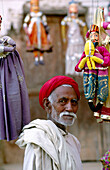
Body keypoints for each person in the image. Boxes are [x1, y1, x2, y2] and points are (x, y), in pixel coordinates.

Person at [16, 75, 83, 170]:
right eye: (62, 101)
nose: (70, 108)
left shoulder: (74, 142)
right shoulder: (38, 138)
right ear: (47, 105)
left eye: (74, 102)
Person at [0, 16, 30, 141]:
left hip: (6, 74)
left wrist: (8, 47)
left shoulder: (5, 42)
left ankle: (15, 128)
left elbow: (10, 47)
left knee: (13, 97)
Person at [75, 24, 110, 122]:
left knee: (102, 86)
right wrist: (80, 65)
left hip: (102, 72)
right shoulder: (86, 53)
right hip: (90, 72)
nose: (94, 38)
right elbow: (78, 67)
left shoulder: (101, 49)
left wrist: (102, 61)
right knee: (90, 85)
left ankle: (102, 102)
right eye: (92, 36)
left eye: (96, 36)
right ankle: (90, 100)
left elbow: (107, 59)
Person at [61, 0, 86, 76]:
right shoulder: (67, 20)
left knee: (79, 54)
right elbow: (63, 26)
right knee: (71, 54)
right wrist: (64, 37)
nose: (73, 15)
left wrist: (85, 36)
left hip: (78, 40)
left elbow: (84, 26)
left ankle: (79, 69)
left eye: (74, 13)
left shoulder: (78, 21)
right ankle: (71, 70)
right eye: (72, 13)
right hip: (71, 40)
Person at [23, 0, 52, 66]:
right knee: (34, 43)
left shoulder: (41, 15)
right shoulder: (30, 15)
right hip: (33, 30)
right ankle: (36, 58)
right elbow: (25, 22)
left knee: (42, 43)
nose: (36, 7)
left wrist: (46, 26)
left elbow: (44, 22)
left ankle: (41, 58)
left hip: (41, 30)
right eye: (34, 5)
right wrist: (26, 28)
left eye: (37, 5)